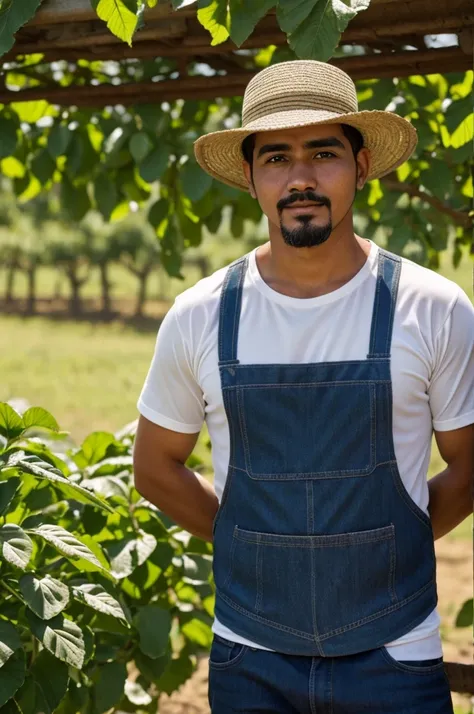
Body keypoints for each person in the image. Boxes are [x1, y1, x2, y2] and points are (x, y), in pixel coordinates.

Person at [133, 60, 474, 713]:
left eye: (323, 153)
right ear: (252, 179)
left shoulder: (433, 308)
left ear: (363, 165)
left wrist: (383, 542)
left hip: (397, 658)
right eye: (277, 158)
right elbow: (154, 467)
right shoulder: (200, 314)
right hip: (248, 657)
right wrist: (257, 542)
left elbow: (470, 467)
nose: (301, 178)